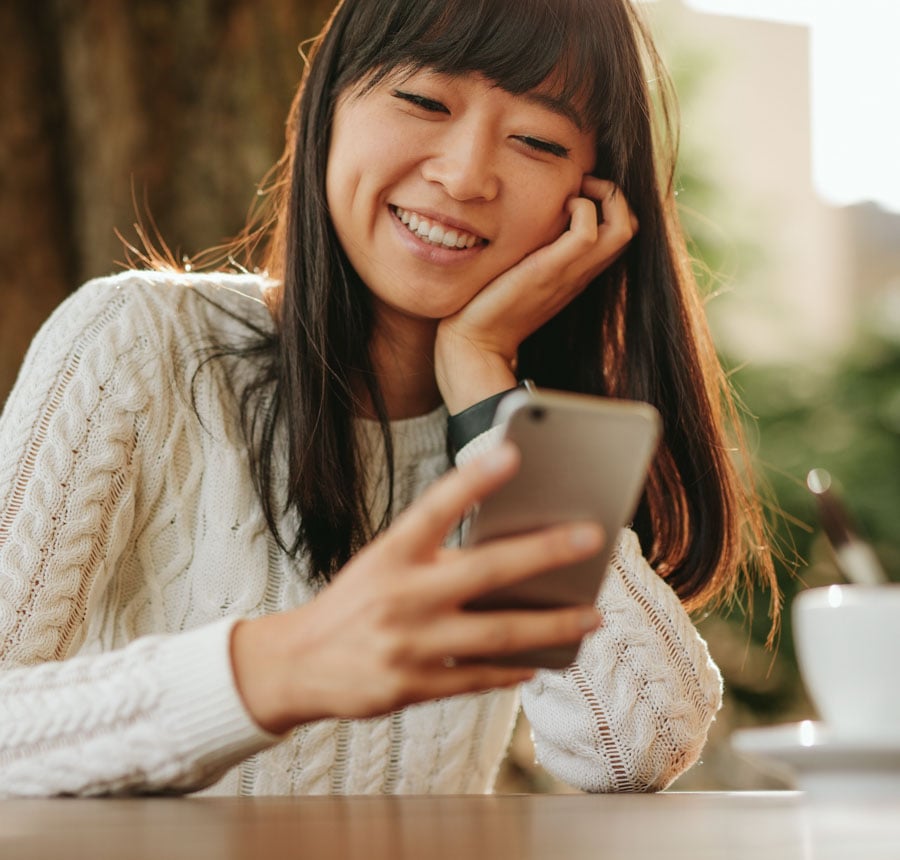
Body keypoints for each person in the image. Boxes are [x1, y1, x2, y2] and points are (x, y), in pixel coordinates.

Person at [0, 0, 775, 796]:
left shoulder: (526, 442)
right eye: (425, 101)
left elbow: (638, 748)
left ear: (590, 200)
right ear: (328, 105)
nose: (467, 176)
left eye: (538, 142)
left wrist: (483, 384)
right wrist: (273, 672)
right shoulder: (137, 340)